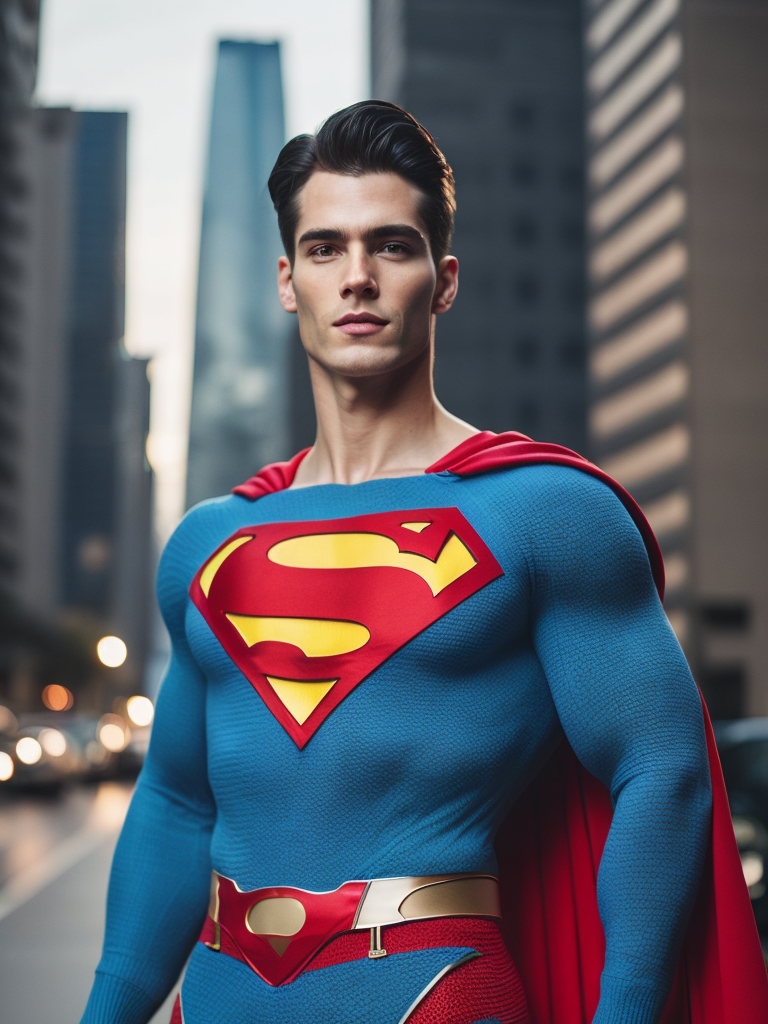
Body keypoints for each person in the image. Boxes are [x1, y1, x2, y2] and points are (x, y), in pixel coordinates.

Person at [80, 102, 768, 1024]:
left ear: (442, 281)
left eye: (391, 247)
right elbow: (173, 804)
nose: (356, 278)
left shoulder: (546, 512)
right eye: (325, 249)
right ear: (288, 280)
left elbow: (662, 768)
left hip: (428, 993)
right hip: (221, 993)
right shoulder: (208, 544)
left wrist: (627, 1013)